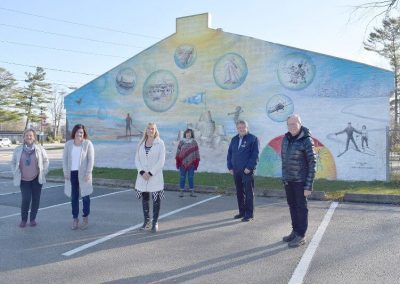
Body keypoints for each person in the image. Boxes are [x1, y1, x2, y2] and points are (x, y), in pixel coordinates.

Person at [281, 114, 316, 248]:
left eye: (294, 124)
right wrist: (284, 178)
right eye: (289, 124)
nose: (292, 127)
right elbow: (284, 161)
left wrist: (308, 186)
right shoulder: (286, 139)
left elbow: (313, 163)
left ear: (300, 124)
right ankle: (295, 231)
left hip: (301, 182)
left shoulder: (306, 140)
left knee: (301, 208)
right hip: (289, 181)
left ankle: (301, 235)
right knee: (292, 207)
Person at [11, 128, 49, 228]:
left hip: (36, 178)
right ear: (24, 137)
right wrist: (15, 171)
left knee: (36, 199)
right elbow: (13, 162)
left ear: (34, 137)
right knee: (26, 199)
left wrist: (43, 171)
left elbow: (46, 160)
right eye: (27, 135)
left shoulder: (39, 149)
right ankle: (24, 220)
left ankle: (32, 219)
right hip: (23, 179)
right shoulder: (18, 149)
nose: (29, 137)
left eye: (31, 135)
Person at [135, 122, 166, 233]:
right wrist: (142, 172)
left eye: (152, 129)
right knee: (145, 199)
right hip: (143, 177)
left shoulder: (160, 143)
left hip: (155, 177)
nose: (150, 131)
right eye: (148, 129)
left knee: (156, 200)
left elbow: (161, 161)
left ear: (155, 130)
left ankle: (155, 222)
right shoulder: (141, 143)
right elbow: (137, 159)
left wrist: (151, 173)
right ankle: (147, 222)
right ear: (146, 130)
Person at [63, 124, 95, 230]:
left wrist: (88, 173)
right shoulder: (68, 144)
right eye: (77, 132)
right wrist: (65, 172)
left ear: (84, 133)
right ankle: (75, 218)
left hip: (84, 174)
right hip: (72, 174)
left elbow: (91, 160)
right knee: (74, 197)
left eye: (81, 132)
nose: (79, 134)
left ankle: (85, 217)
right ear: (74, 133)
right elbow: (65, 160)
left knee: (85, 197)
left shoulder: (87, 144)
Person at [227, 120, 259, 222]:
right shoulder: (234, 139)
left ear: (247, 127)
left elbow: (255, 156)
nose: (241, 129)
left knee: (248, 192)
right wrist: (230, 167)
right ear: (237, 128)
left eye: (243, 127)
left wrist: (249, 167)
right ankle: (242, 212)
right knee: (239, 192)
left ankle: (249, 214)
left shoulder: (253, 139)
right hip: (236, 170)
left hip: (247, 171)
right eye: (239, 127)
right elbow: (230, 154)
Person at [175, 128, 200, 197]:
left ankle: (192, 192)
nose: (188, 134)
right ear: (185, 134)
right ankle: (181, 192)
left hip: (191, 163)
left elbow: (197, 152)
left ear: (191, 134)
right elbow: (178, 152)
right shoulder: (181, 142)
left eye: (190, 133)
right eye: (187, 133)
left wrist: (196, 161)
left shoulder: (194, 142)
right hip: (182, 163)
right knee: (182, 177)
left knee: (190, 177)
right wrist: (178, 161)